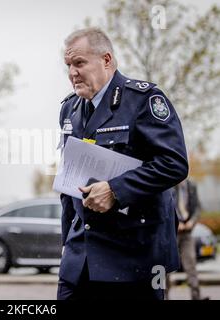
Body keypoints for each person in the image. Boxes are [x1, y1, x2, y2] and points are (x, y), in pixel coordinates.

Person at [57, 28, 188, 300]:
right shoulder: (69, 109)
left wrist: (116, 190)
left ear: (106, 60)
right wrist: (66, 243)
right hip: (80, 258)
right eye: (68, 65)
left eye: (79, 63)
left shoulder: (142, 100)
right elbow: (70, 182)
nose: (72, 73)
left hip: (133, 259)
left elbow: (173, 163)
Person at [166, 179, 206, 300]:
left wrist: (192, 221)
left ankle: (196, 296)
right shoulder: (169, 184)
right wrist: (177, 222)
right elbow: (167, 206)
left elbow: (198, 208)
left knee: (191, 264)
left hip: (188, 233)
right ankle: (164, 296)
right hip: (172, 233)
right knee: (167, 266)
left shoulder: (191, 186)